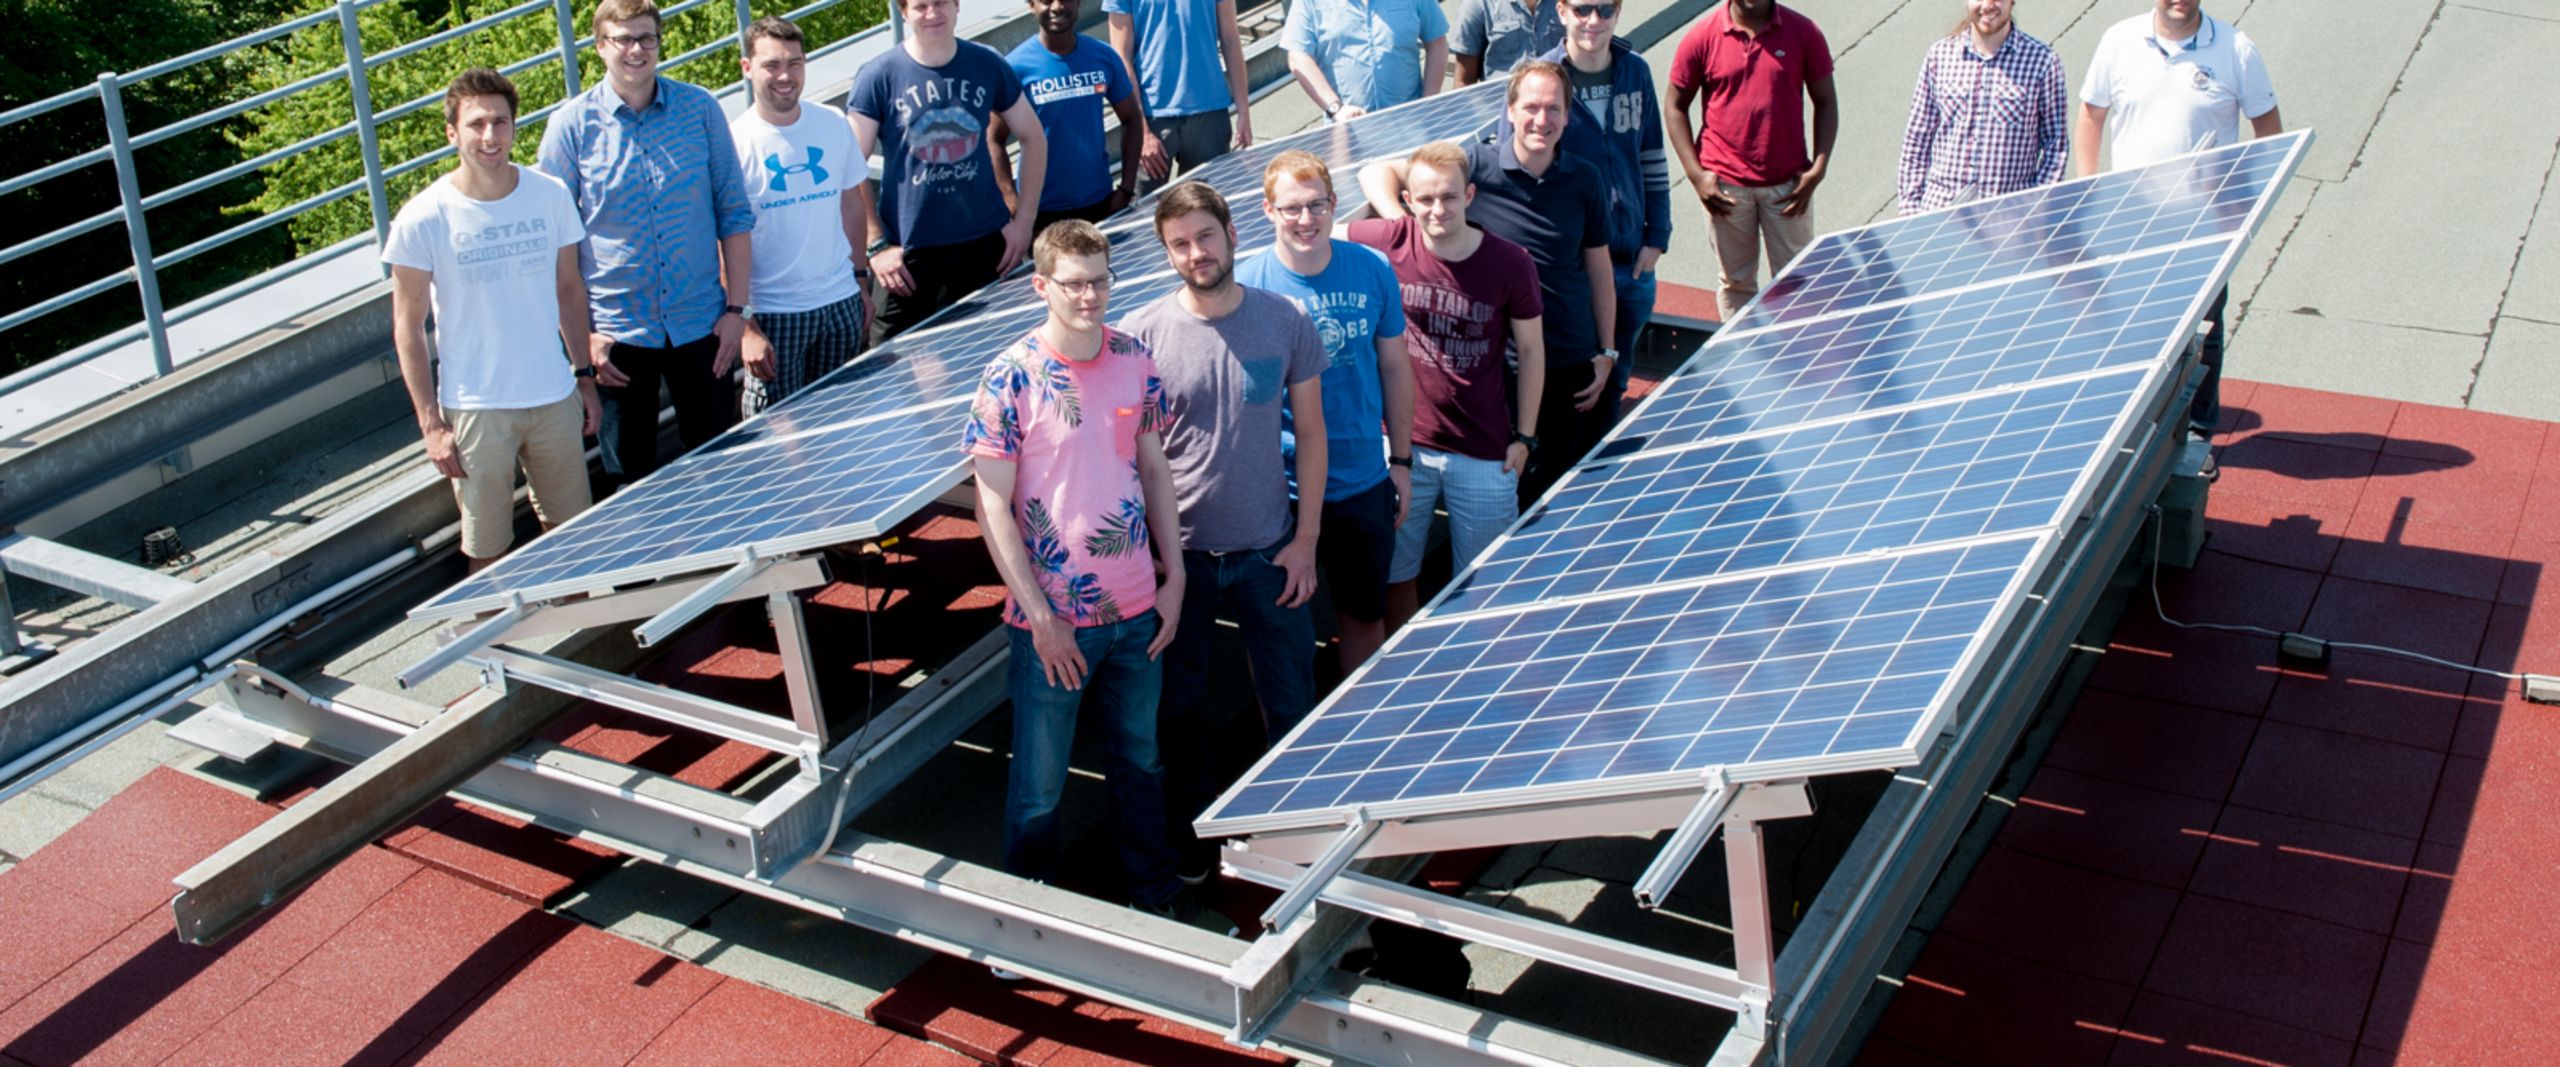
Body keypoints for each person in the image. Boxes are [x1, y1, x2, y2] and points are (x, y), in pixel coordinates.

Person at [961, 220, 1187, 915]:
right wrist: (1040, 618)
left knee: (1141, 761)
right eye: (1075, 284)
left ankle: (1153, 898)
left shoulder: (1134, 357)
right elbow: (991, 506)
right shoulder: (1010, 376)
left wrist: (1174, 576)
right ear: (1041, 286)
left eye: (1100, 281)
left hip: (1138, 610)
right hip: (1054, 624)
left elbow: (1154, 469)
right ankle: (1028, 921)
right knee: (1040, 783)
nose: (1090, 296)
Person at [1121, 182, 1327, 880]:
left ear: (1232, 234)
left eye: (1205, 236)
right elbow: (1134, 456)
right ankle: (1194, 842)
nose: (1195, 253)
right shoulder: (1142, 335)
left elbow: (1313, 433)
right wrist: (1158, 563)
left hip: (1269, 552)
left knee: (1291, 699)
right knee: (1180, 708)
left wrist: (1305, 539)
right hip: (1180, 562)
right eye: (1179, 244)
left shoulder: (1284, 319)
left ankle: (1296, 835)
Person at [1361, 61, 1612, 508]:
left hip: (1567, 356)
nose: (1542, 119)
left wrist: (1607, 350)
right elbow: (1376, 173)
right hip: (1503, 363)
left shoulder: (1585, 179)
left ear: (1567, 115)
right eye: (1530, 107)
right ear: (1510, 111)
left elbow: (1598, 268)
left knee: (1557, 490)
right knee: (1507, 484)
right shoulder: (1476, 165)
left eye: (1553, 108)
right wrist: (1406, 227)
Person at [387, 70, 600, 571]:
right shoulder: (424, 216)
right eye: (476, 124)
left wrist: (584, 378)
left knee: (575, 541)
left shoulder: (549, 195)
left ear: (513, 127)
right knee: (487, 553)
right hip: (476, 407)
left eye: (500, 122)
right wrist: (431, 425)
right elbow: (407, 327)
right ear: (452, 133)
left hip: (552, 396)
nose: (490, 136)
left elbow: (569, 289)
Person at [537, 0, 754, 492]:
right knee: (628, 482)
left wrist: (736, 311)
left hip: (701, 324)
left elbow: (734, 213)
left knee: (721, 468)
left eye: (646, 38)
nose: (636, 50)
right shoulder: (570, 127)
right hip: (617, 336)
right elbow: (553, 246)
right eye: (623, 39)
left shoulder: (699, 109)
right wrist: (582, 341)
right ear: (600, 47)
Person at [1347, 142, 1545, 630]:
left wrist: (1525, 438)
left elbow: (1532, 351)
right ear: (1409, 202)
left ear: (1469, 196)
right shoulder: (1393, 238)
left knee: (1485, 584)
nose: (1438, 209)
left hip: (1484, 450)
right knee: (1396, 575)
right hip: (1404, 449)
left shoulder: (1510, 262)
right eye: (1426, 199)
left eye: (1449, 197)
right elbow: (1313, 232)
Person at [1235, 151, 1416, 676]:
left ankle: (1365, 713)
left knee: (1363, 616)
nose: (1306, 219)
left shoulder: (1372, 268)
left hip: (1361, 478)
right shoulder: (1248, 286)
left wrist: (1402, 461)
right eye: (1291, 208)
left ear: (1334, 204)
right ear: (1268, 210)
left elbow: (1395, 367)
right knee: (1276, 634)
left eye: (1317, 205)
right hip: (1280, 490)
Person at [2076, 0, 2279, 432]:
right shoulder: (2119, 40)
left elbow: (2268, 133)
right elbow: (2091, 116)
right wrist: (2090, 193)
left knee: (2204, 331)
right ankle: (2130, 429)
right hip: (2131, 221)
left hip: (2205, 225)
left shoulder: (2236, 49)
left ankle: (2198, 432)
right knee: (2131, 327)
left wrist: (2242, 203)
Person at [850, 0, 1047, 339]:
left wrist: (1024, 223)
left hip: (986, 244)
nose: (932, 13)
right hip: (907, 254)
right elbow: (849, 167)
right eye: (921, 6)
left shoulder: (986, 63)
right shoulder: (878, 75)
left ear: (957, 5)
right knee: (890, 360)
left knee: (997, 348)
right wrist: (876, 246)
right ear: (903, 12)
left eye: (941, 2)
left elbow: (1034, 138)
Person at [731, 16, 872, 414]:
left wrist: (860, 282)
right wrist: (745, 326)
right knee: (776, 430)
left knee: (845, 419)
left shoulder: (831, 122)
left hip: (840, 303)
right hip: (774, 314)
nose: (785, 76)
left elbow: (852, 205)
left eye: (794, 63)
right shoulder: (735, 142)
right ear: (747, 68)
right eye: (772, 65)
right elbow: (724, 240)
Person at [1665, 0, 1838, 322]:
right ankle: (1741, 350)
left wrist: (1818, 168)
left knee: (1796, 281)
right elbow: (1675, 106)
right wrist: (1696, 175)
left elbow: (1826, 101)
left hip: (1788, 189)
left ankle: (1795, 347)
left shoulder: (1804, 32)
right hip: (1725, 190)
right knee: (1736, 283)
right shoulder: (1702, 36)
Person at [1544, 0, 1670, 420]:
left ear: (1618, 12)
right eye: (1582, 9)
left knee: (1618, 376)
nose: (1593, 20)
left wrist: (1657, 236)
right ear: (1562, 12)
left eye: (1604, 9)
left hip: (1632, 258)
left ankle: (1606, 445)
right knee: (1575, 378)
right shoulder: (1545, 79)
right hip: (1576, 264)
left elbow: (1651, 154)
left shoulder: (1635, 71)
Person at [1895, 0, 2068, 216]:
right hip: (1940, 213)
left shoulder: (2042, 61)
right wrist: (1910, 212)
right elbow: (1917, 139)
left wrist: (2035, 209)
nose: (1987, 6)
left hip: (2008, 217)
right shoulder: (1939, 56)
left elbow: (2056, 145)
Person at [994, 0, 1146, 232]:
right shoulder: (1014, 68)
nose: (1057, 7)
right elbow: (993, 138)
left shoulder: (1103, 56)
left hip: (1100, 203)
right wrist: (1012, 202)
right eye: (1046, 1)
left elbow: (1131, 118)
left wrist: (1126, 189)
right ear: (1031, 5)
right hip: (1040, 211)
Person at [1105, 0, 1254, 184]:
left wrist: (1244, 112)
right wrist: (1141, 131)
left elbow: (1230, 40)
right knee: (1146, 202)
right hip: (1152, 117)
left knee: (1205, 200)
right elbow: (1121, 57)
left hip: (1209, 114)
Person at [1283, 0, 1451, 121]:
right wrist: (1335, 109)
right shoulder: (1309, 2)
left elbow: (1437, 43)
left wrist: (1428, 101)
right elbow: (1298, 58)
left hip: (1411, 119)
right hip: (1347, 126)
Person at [1451, 0, 1562, 86]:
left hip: (1562, 102)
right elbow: (1463, 81)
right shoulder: (1478, 4)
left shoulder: (1568, 5)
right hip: (1499, 103)